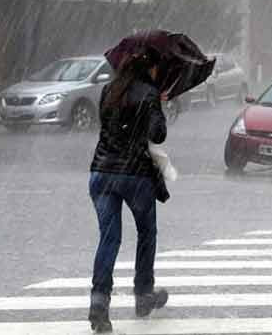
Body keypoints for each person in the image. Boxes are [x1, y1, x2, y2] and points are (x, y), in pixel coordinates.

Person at [87, 49, 169, 333]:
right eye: (157, 68)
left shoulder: (108, 90)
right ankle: (143, 295)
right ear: (149, 69)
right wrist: (157, 106)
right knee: (146, 233)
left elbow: (108, 128)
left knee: (109, 239)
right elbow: (157, 135)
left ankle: (99, 304)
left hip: (101, 173)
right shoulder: (149, 93)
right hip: (134, 175)